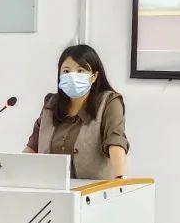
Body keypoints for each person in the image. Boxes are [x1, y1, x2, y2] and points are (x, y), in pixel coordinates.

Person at [24, 44, 129, 181]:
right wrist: (11, 173)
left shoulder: (109, 102)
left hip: (93, 189)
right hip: (52, 187)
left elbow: (115, 141)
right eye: (66, 71)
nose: (73, 76)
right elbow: (32, 147)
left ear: (94, 76)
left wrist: (120, 178)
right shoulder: (51, 104)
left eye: (80, 71)